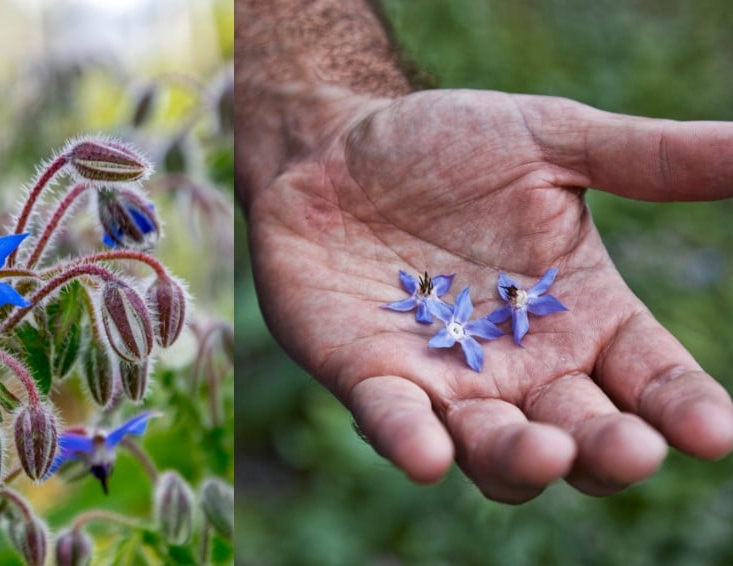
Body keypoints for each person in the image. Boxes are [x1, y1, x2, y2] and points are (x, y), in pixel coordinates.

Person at [235, 0, 733, 503]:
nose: (453, 326)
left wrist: (326, 119)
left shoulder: (484, 315)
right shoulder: (440, 309)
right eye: (453, 324)